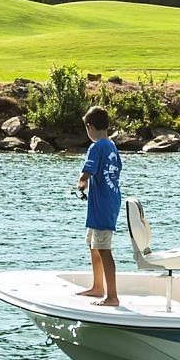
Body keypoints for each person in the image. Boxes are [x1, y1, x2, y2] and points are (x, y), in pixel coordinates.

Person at [73, 107, 123, 306]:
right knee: (94, 246)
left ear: (89, 127)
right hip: (107, 202)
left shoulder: (97, 147)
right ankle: (97, 287)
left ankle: (112, 296)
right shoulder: (111, 145)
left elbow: (87, 171)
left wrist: (80, 184)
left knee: (103, 249)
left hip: (102, 205)